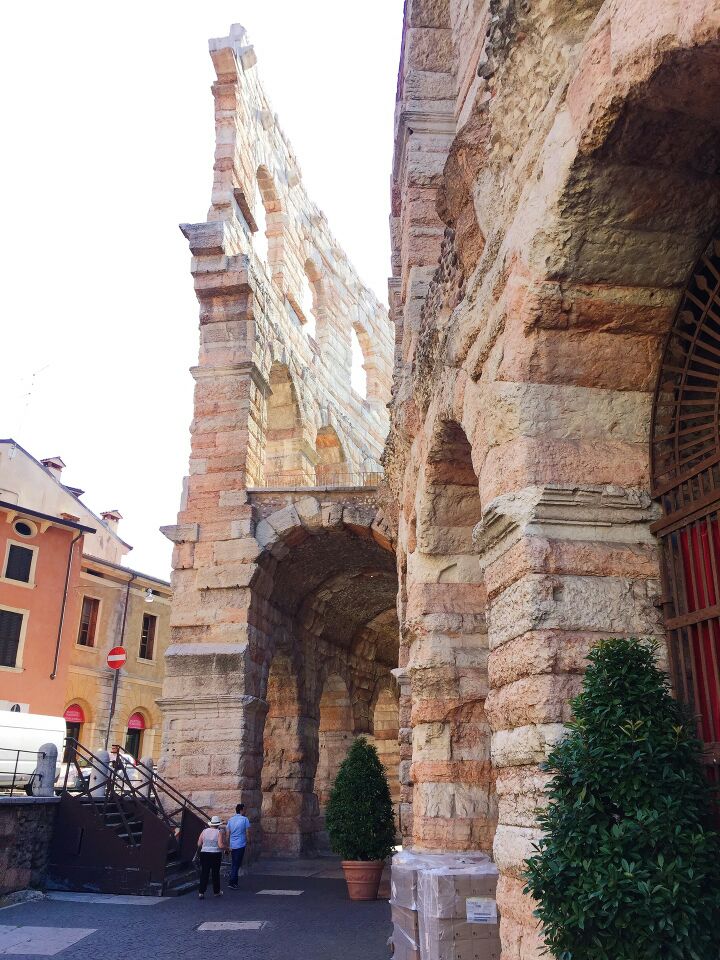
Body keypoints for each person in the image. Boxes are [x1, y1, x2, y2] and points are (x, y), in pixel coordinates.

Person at [197, 814, 227, 898]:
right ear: (218, 824)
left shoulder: (204, 831)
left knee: (204, 872)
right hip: (215, 854)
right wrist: (227, 848)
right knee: (215, 873)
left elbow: (199, 844)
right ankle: (216, 892)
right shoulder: (219, 832)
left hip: (204, 853)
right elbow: (220, 845)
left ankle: (201, 892)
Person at [226, 803, 251, 889]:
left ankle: (235, 882)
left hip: (232, 845)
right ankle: (232, 882)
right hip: (240, 844)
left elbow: (228, 834)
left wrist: (227, 845)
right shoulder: (245, 819)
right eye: (244, 809)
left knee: (234, 863)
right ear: (241, 810)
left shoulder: (230, 820)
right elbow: (247, 832)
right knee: (236, 864)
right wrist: (249, 841)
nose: (245, 811)